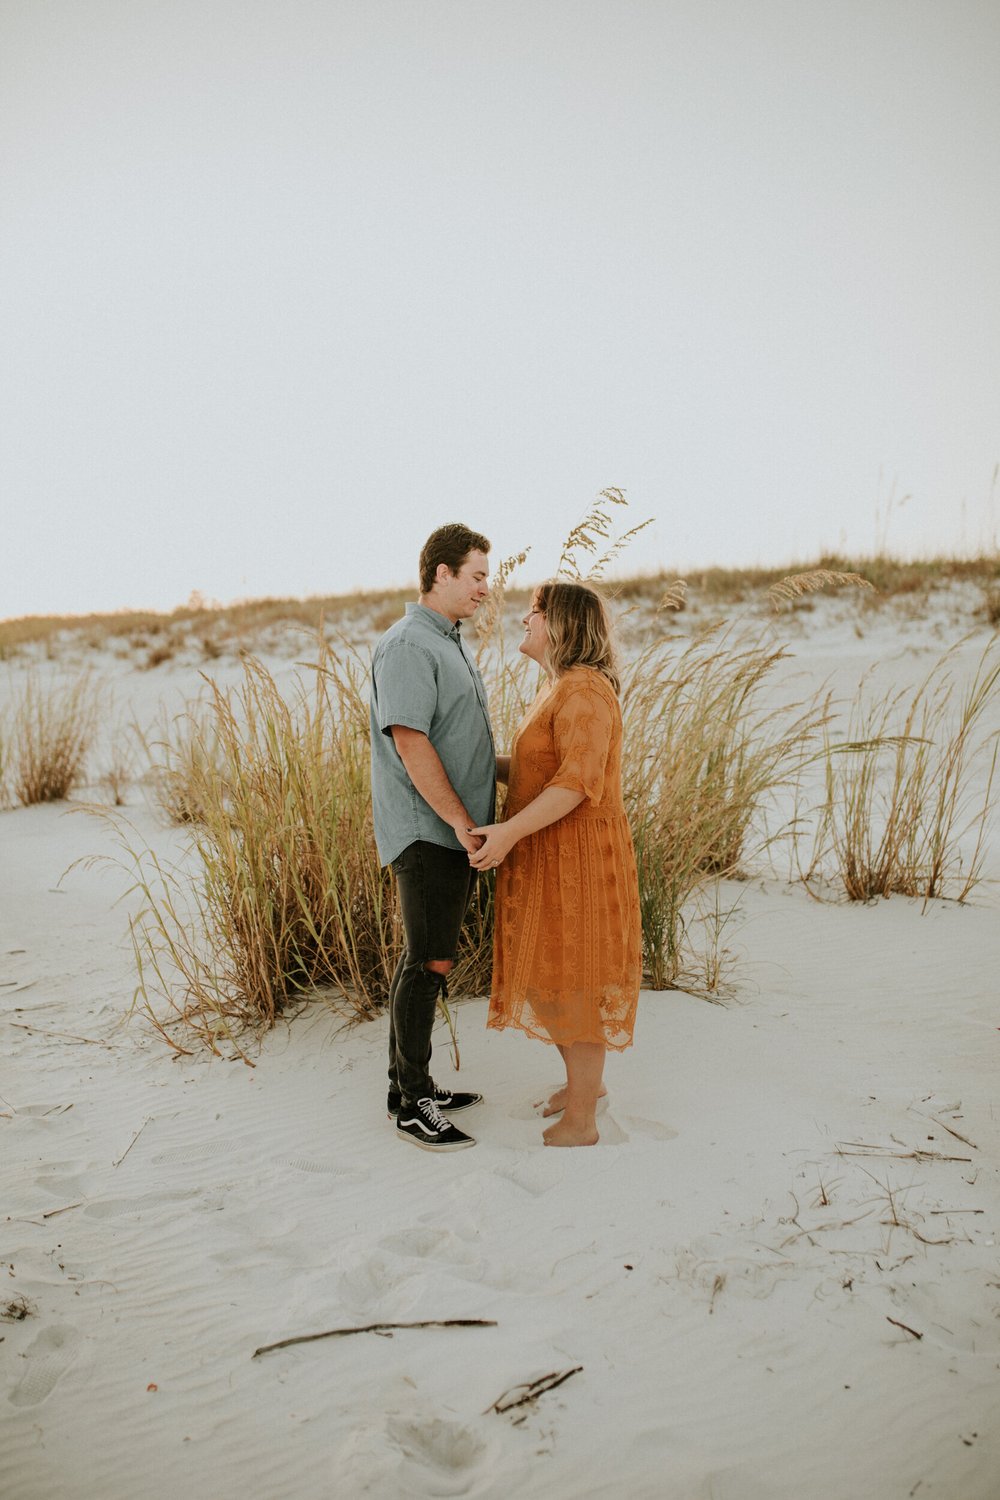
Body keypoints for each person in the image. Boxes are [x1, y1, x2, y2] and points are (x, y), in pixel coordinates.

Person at [469, 580, 642, 1147]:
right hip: (551, 853)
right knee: (552, 980)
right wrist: (469, 764)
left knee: (576, 982)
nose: (525, 619)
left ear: (562, 625)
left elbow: (574, 785)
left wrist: (508, 832)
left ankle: (583, 1123)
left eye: (535, 612)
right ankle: (582, 1088)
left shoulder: (586, 693)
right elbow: (538, 771)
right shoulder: (558, 688)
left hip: (581, 860)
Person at [369, 523, 496, 1151]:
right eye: (476, 576)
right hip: (428, 832)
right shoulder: (408, 645)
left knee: (426, 960)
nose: (484, 589)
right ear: (441, 573)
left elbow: (455, 740)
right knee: (430, 961)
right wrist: (457, 821)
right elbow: (411, 741)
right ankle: (414, 1106)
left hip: (450, 832)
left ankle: (406, 1084)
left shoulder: (447, 641)